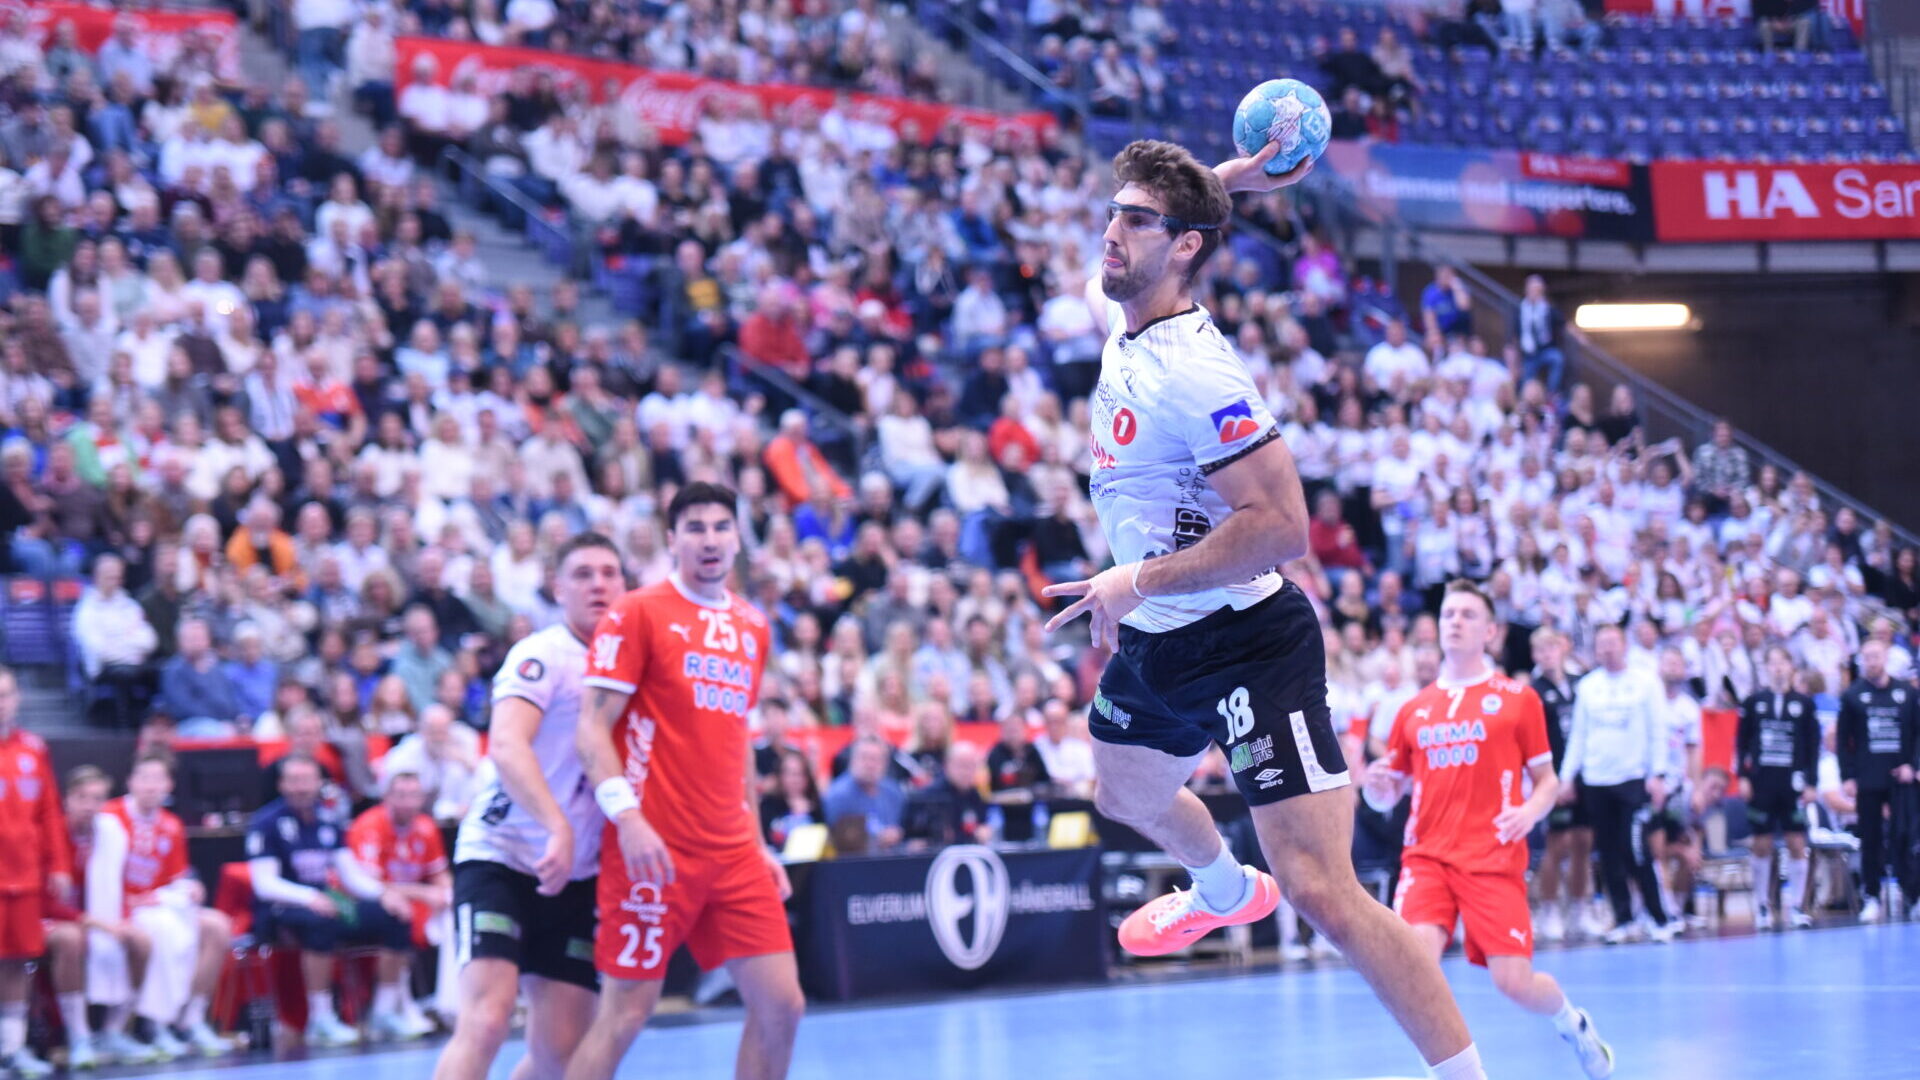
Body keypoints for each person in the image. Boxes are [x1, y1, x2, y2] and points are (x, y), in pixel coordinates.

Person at [1044, 139, 1485, 1079]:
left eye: (1135, 221)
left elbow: (1284, 528)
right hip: (1158, 638)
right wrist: (1229, 180)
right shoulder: (1124, 316)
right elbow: (1151, 238)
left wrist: (1134, 581)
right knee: (1123, 793)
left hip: (1248, 641)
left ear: (1186, 249)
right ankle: (1220, 890)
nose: (1111, 233)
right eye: (1113, 212)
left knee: (1322, 890)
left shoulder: (1200, 374)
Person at [572, 482, 803, 1080]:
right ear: (672, 539)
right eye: (695, 528)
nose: (710, 539)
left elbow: (737, 739)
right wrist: (627, 819)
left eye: (721, 526)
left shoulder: (753, 625)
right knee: (626, 1014)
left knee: (782, 1006)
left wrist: (757, 842)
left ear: (737, 539)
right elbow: (591, 729)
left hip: (733, 851)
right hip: (653, 849)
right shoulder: (637, 612)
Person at [1365, 582, 1614, 1078]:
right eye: (1448, 614)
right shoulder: (1414, 709)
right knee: (1415, 965)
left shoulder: (1519, 700)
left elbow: (1547, 781)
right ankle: (1451, 1069)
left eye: (1467, 615)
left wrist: (1530, 812)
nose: (1454, 622)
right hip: (1426, 857)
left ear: (1491, 631)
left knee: (1513, 982)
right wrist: (1377, 788)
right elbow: (1388, 792)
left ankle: (1573, 1023)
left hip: (1492, 856)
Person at [434, 532, 625, 1080]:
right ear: (557, 588)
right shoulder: (543, 653)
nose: (598, 585)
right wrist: (556, 825)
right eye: (583, 574)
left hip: (579, 873)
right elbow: (506, 743)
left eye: (609, 573)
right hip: (503, 853)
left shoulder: (633, 664)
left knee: (560, 1051)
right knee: (487, 1019)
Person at [244, 753, 415, 1047]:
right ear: (282, 785)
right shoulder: (266, 822)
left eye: (307, 780)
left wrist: (385, 894)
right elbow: (265, 885)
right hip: (279, 908)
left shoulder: (328, 819)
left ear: (319, 783)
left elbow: (350, 875)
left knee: (395, 915)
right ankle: (320, 1018)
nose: (301, 787)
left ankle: (384, 1012)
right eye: (294, 781)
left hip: (327, 901)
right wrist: (309, 897)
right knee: (320, 920)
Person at [83, 756, 234, 1059]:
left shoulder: (171, 825)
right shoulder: (110, 818)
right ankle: (153, 1022)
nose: (151, 786)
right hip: (117, 909)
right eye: (145, 778)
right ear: (131, 782)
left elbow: (176, 876)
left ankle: (191, 1019)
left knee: (217, 925)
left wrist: (190, 887)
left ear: (169, 786)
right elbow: (96, 874)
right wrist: (127, 903)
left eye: (158, 779)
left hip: (155, 904)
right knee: (162, 929)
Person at [1561, 623, 1680, 944]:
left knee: (1636, 848)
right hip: (1596, 780)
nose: (1608, 648)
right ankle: (1624, 919)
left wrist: (1657, 774)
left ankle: (1658, 918)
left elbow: (1658, 730)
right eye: (1602, 643)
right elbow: (1578, 735)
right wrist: (1567, 776)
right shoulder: (1588, 686)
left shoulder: (1645, 682)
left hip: (1633, 779)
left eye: (1613, 642)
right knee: (1608, 852)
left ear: (1624, 645)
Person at [0, 666, 72, 1078]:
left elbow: (49, 814)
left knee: (17, 962)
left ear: (17, 699)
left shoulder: (34, 749)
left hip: (25, 879)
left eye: (6, 694)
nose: (0, 703)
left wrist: (59, 865)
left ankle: (12, 1049)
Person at [346, 771, 450, 1041]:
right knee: (398, 916)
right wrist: (422, 892)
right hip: (365, 902)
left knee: (454, 910)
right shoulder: (369, 826)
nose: (408, 803)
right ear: (386, 797)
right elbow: (370, 884)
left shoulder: (426, 826)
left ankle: (447, 1003)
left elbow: (439, 874)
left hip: (414, 901)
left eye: (414, 796)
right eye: (401, 795)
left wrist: (447, 894)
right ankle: (391, 1009)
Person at [1737, 647, 1821, 930]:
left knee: (1797, 842)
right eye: (1771, 663)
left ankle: (1797, 906)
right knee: (1761, 843)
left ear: (1790, 666)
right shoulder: (1753, 702)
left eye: (1782, 663)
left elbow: (1813, 746)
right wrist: (1743, 777)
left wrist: (1812, 783)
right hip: (1762, 783)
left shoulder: (1804, 704)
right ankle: (1762, 905)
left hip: (1792, 784)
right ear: (1766, 668)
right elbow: (1741, 743)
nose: (1777, 668)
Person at [1837, 638, 1919, 922]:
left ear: (1886, 657)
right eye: (1867, 657)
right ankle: (1871, 896)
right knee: (1870, 839)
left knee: (1905, 836)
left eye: (1876, 656)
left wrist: (1914, 766)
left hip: (1902, 778)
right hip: (1868, 778)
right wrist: (1848, 775)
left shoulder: (1906, 692)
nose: (1872, 661)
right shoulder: (1853, 695)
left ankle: (1912, 895)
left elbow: (1917, 733)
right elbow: (1843, 740)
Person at [1531, 628, 1597, 942]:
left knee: (1583, 842)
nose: (1547, 655)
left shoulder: (1580, 684)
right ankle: (1548, 910)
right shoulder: (1534, 692)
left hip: (1583, 776)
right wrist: (1549, 781)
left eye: (1552, 648)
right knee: (1557, 845)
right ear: (1534, 655)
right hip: (1553, 776)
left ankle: (1580, 909)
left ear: (1562, 650)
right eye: (1541, 650)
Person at [822, 737, 908, 850]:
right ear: (852, 760)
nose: (870, 765)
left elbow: (900, 829)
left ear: (886, 763)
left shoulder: (893, 792)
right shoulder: (838, 796)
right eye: (864, 758)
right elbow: (838, 842)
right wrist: (877, 840)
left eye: (876, 759)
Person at [903, 743, 991, 849]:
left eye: (971, 766)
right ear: (946, 765)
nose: (966, 772)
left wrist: (984, 832)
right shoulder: (927, 797)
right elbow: (910, 834)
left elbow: (981, 825)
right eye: (961, 766)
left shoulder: (976, 796)